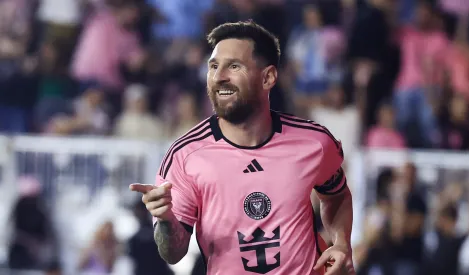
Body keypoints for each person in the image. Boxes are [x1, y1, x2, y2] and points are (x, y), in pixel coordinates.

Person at [130, 20, 354, 275]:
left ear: (268, 77)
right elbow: (173, 253)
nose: (219, 76)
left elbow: (336, 195)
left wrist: (342, 243)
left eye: (233, 66)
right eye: (213, 66)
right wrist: (166, 220)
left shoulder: (314, 142)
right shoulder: (185, 156)